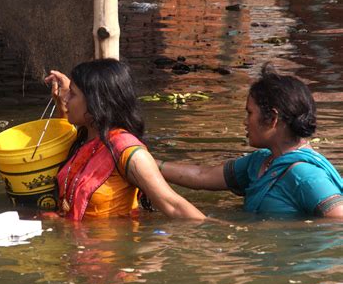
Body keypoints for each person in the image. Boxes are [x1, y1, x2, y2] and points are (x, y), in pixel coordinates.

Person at [157, 63, 343, 218]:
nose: (245, 122)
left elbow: (337, 224)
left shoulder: (306, 176)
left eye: (250, 113)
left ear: (272, 118)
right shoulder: (259, 163)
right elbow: (201, 175)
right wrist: (146, 162)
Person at [44, 58, 205, 221]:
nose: (65, 99)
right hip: (75, 241)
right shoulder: (85, 140)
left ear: (96, 102)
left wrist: (223, 234)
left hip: (110, 244)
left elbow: (174, 206)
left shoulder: (127, 151)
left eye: (72, 94)